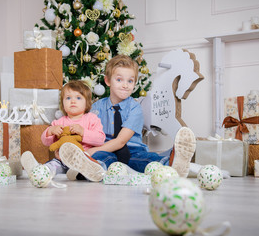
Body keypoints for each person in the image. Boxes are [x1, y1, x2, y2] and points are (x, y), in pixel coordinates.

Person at [58, 55, 196, 181]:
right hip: (105, 150)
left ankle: (172, 161)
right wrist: (83, 150)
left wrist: (90, 151)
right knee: (102, 158)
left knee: (143, 160)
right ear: (107, 81)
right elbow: (87, 131)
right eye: (119, 80)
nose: (125, 85)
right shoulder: (97, 107)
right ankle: (94, 169)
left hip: (131, 149)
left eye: (130, 81)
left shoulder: (135, 108)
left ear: (134, 84)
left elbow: (120, 141)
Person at [20, 80, 106, 182]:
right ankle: (40, 171)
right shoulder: (59, 122)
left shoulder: (92, 119)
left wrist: (83, 132)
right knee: (53, 165)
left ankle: (86, 173)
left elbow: (100, 139)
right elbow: (46, 141)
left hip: (84, 159)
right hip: (62, 160)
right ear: (63, 104)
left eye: (78, 98)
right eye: (68, 98)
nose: (73, 101)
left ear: (87, 103)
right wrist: (50, 131)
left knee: (99, 163)